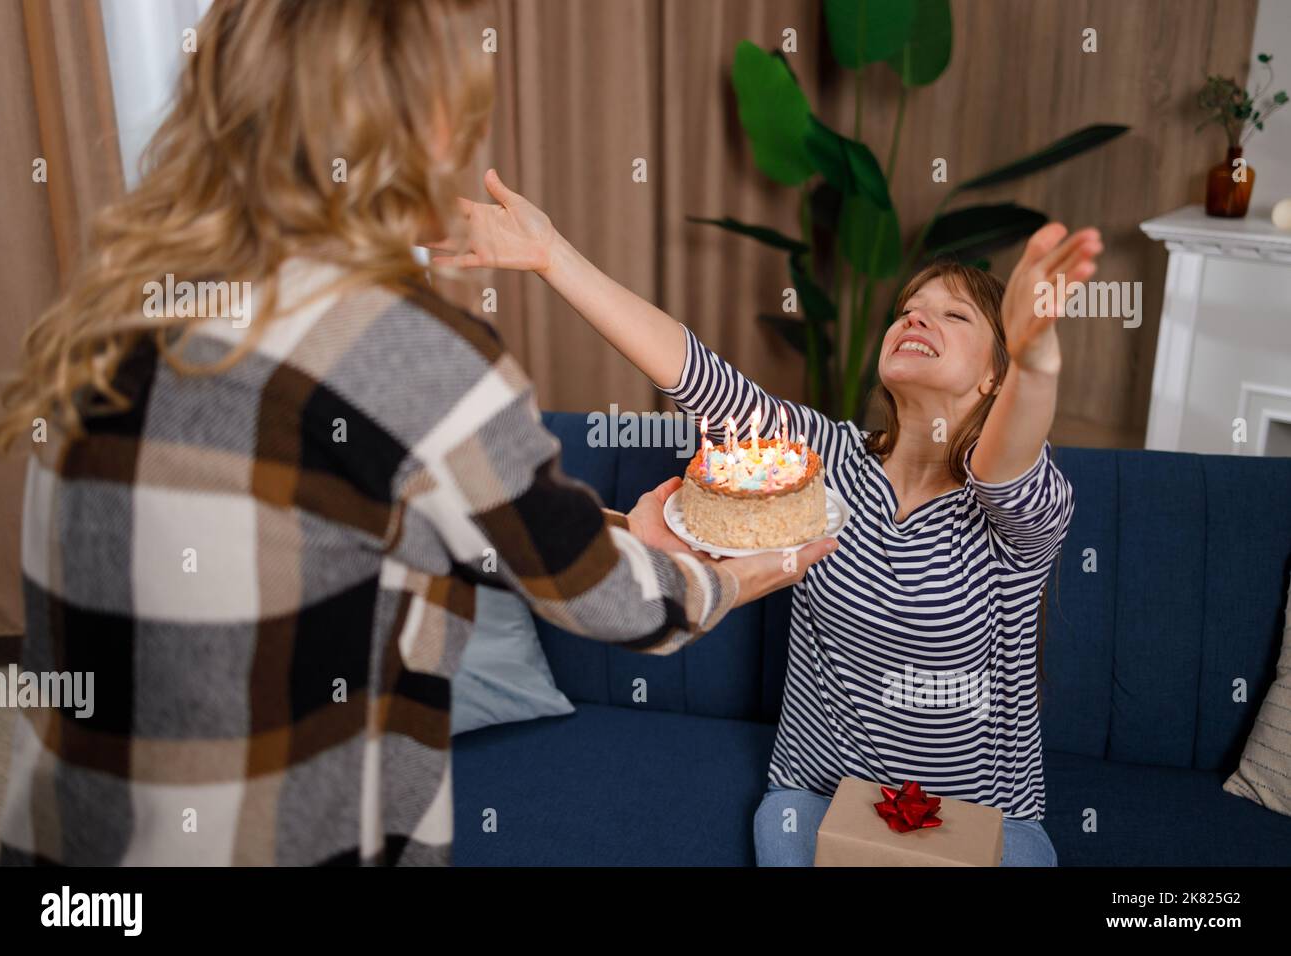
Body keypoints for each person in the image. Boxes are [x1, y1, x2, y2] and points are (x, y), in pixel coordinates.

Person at [0, 0, 834, 866]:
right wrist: (728, 575)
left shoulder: (107, 315)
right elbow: (616, 603)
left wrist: (620, 529)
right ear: (420, 125)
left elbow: (346, 520)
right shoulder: (413, 356)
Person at [429, 167, 1103, 866]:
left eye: (954, 315)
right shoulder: (820, 460)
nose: (915, 318)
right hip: (816, 800)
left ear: (994, 374)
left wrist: (1036, 359)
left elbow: (1004, 464)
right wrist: (551, 257)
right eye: (909, 308)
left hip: (985, 825)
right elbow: (700, 379)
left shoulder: (1016, 513)